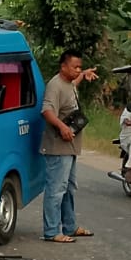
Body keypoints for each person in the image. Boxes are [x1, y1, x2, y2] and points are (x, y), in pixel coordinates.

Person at [41, 49, 98, 242]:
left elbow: (73, 83)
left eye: (80, 67)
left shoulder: (68, 83)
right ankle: (51, 232)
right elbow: (47, 111)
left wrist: (83, 75)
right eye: (75, 67)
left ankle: (70, 226)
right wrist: (62, 126)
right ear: (63, 66)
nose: (77, 70)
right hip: (58, 147)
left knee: (69, 188)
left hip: (71, 147)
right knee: (56, 190)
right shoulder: (55, 86)